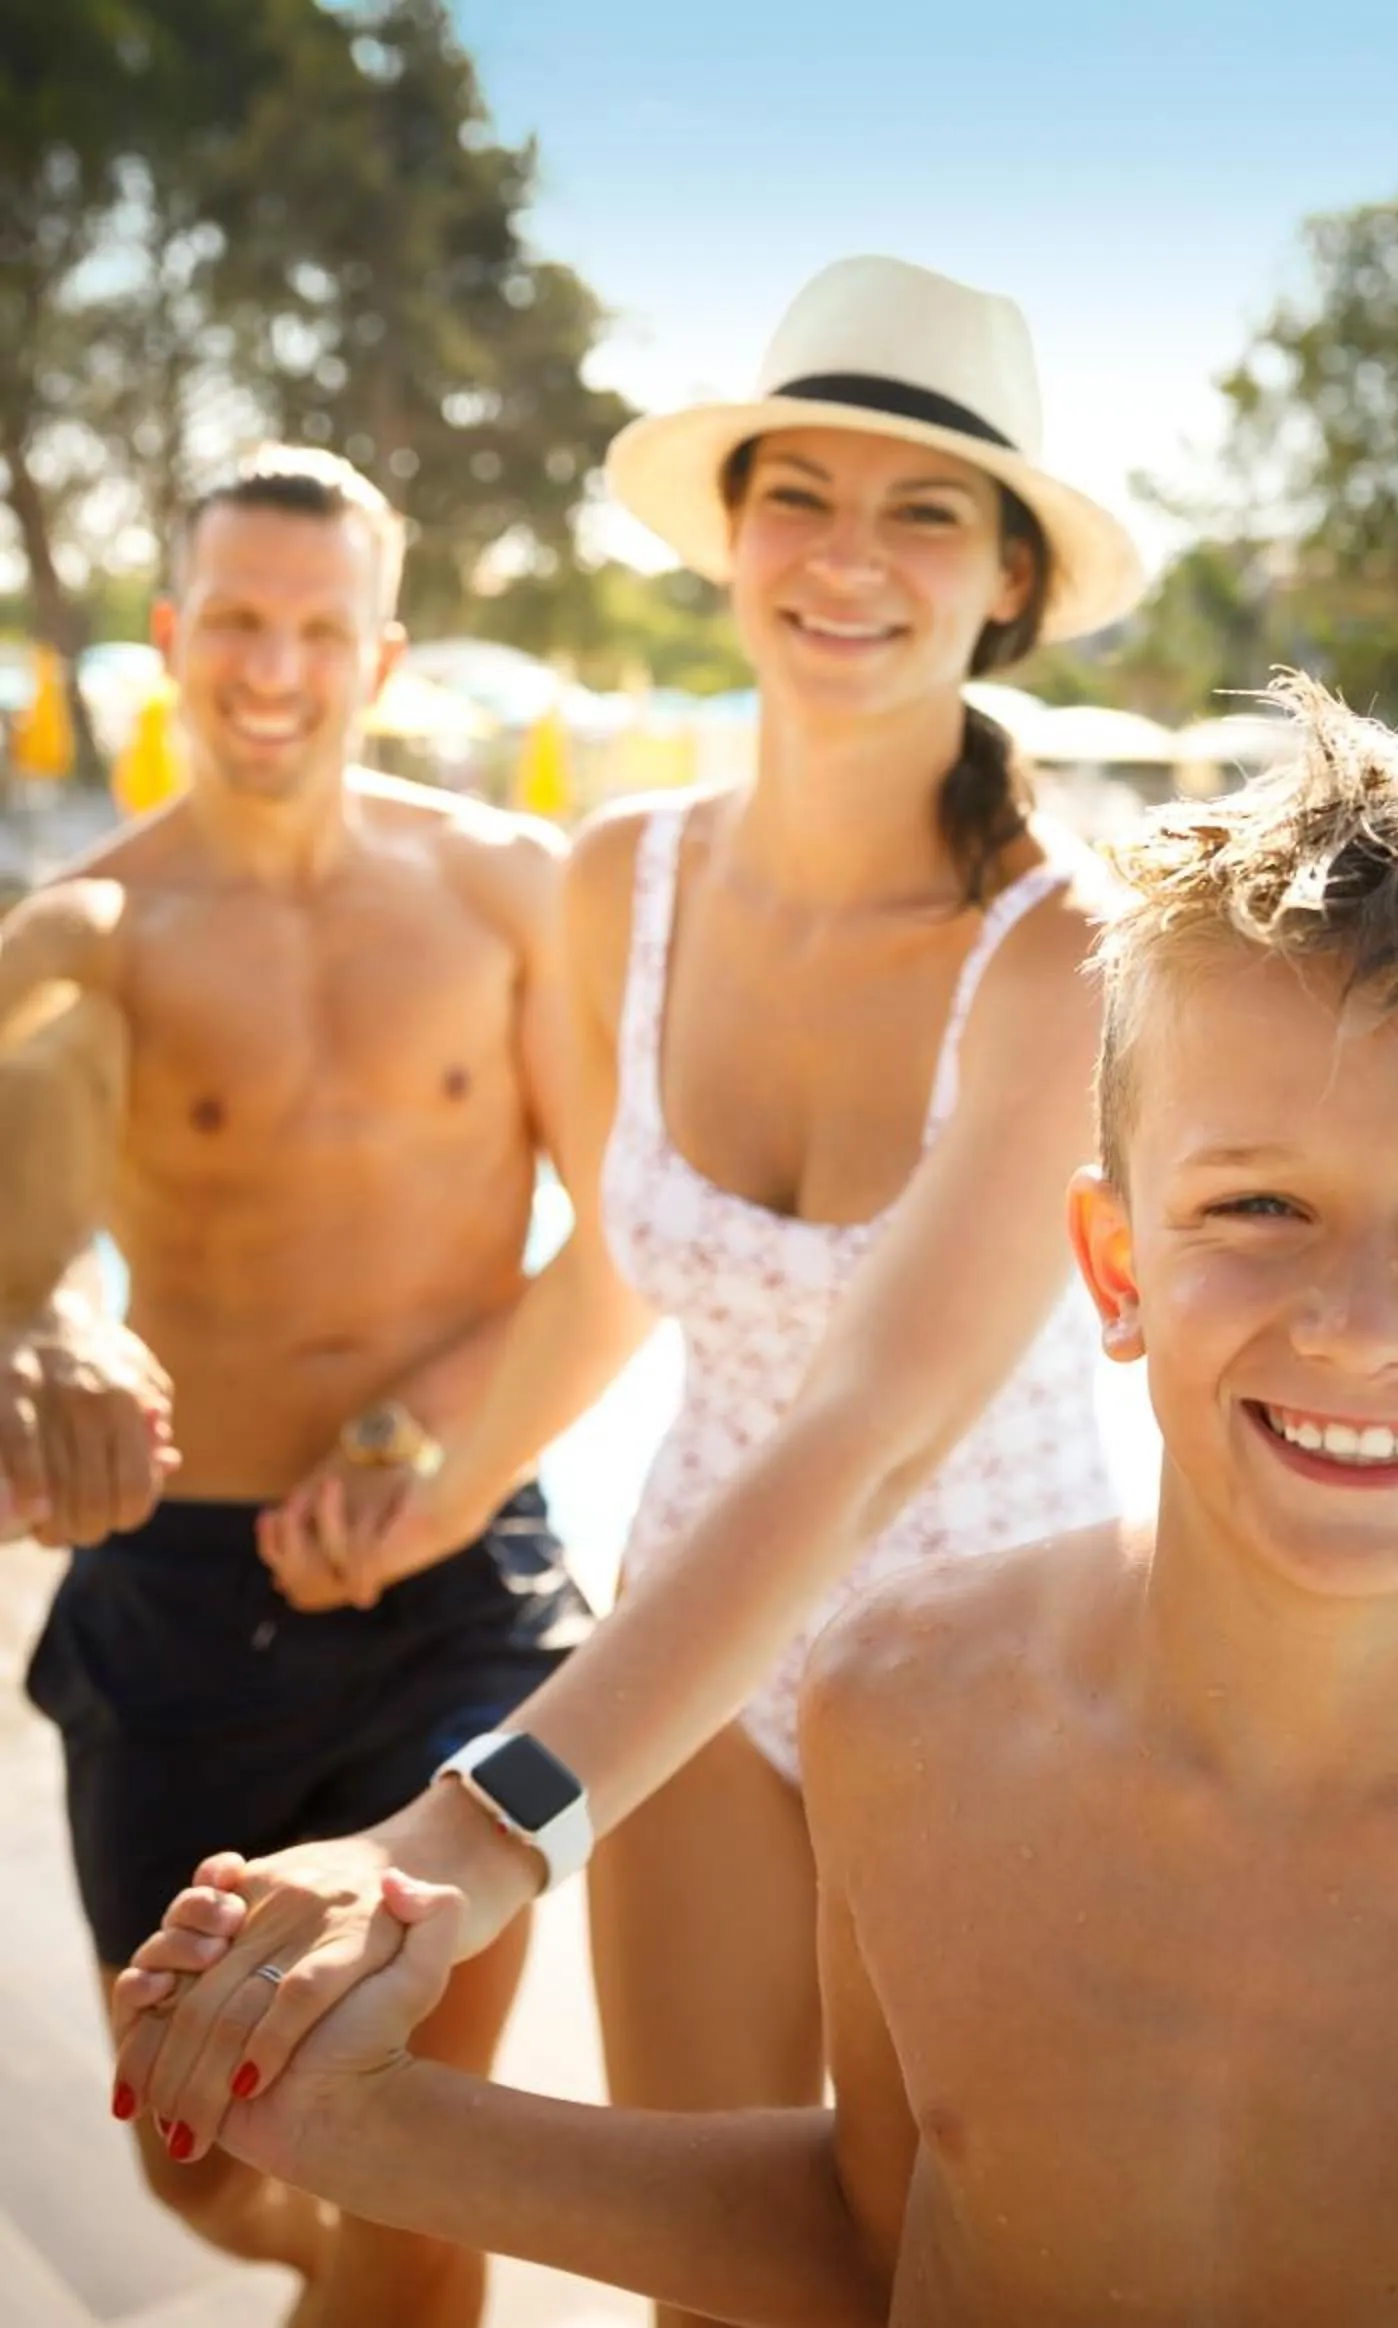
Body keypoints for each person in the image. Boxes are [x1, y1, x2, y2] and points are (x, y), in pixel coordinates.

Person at [132, 675, 1398, 2322]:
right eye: (1258, 1209)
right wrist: (375, 2133)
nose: (1363, 1325)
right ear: (1114, 1267)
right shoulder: (909, 1706)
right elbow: (877, 2233)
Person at [112, 254, 1149, 2325]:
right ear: (733, 535)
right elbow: (618, 1267)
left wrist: (482, 1818)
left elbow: (876, 1431)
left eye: (925, 507)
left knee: (934, 2281)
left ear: (1008, 582)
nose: (849, 555)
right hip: (695, 1639)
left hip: (993, 1667)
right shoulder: (622, 885)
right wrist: (415, 1473)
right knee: (713, 2286)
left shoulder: (1065, 950)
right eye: (803, 494)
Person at [0, 444, 597, 2328]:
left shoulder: (509, 889)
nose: (274, 667)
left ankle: (388, 2264)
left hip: (468, 1582)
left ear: (387, 657)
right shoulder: (87, 933)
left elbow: (631, 1243)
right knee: (202, 2156)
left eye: (318, 629)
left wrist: (418, 1450)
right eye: (237, 623)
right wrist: (41, 1327)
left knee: (408, 2153)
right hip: (179, 1604)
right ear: (173, 639)